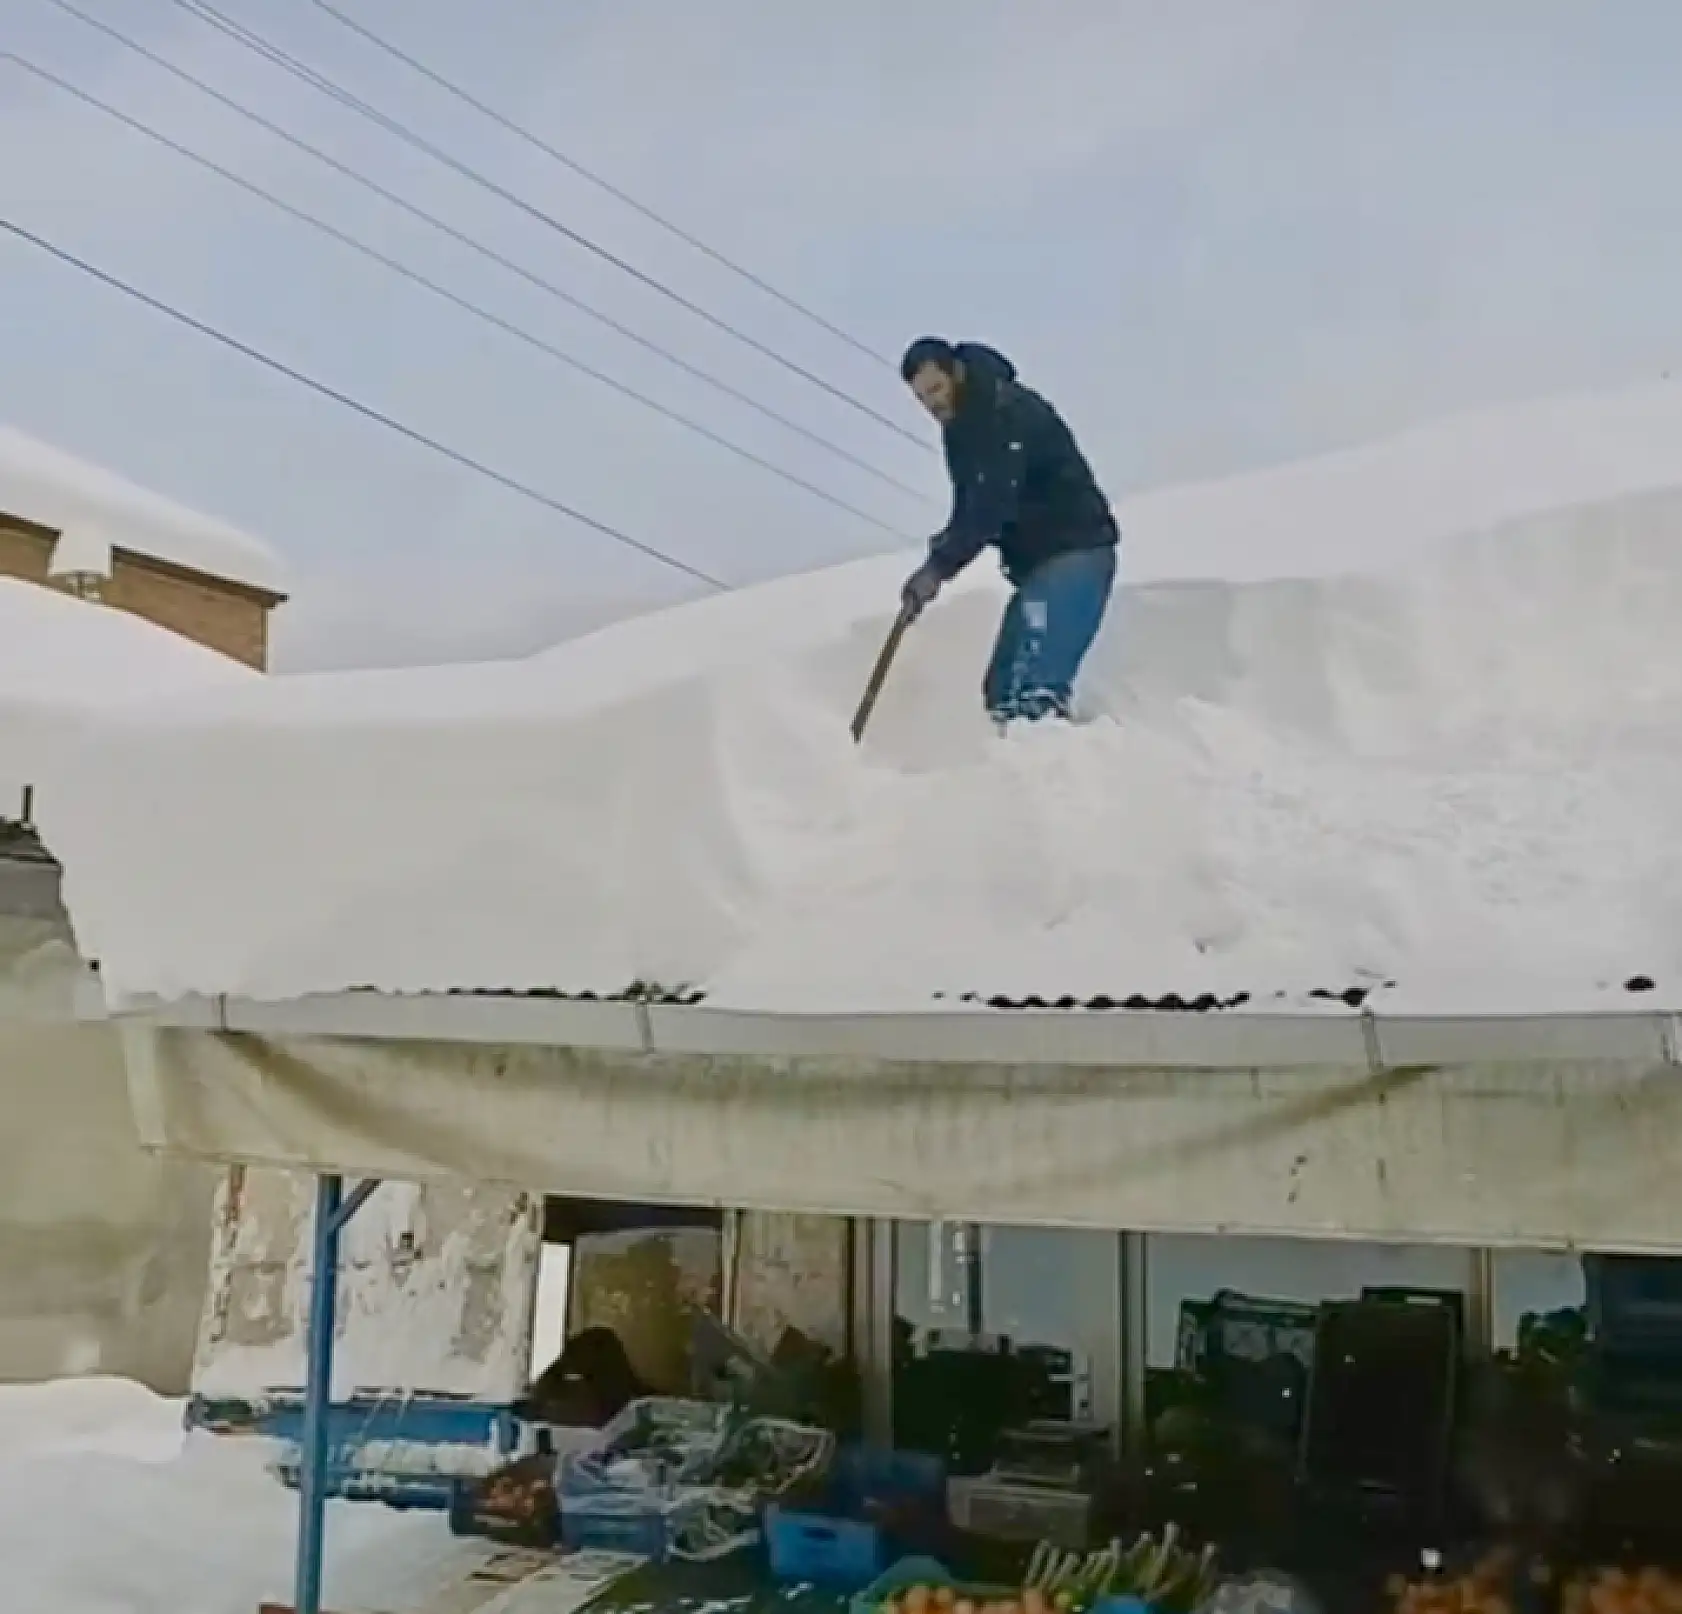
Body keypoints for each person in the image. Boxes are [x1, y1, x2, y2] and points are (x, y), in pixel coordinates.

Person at [899, 338, 1119, 723]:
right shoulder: (963, 428)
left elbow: (990, 505)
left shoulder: (1004, 412)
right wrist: (940, 554)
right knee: (1002, 691)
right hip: (1039, 568)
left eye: (935, 388)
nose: (931, 404)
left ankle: (1060, 767)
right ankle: (1018, 772)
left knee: (1033, 692)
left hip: (1075, 553)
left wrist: (939, 566)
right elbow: (970, 507)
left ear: (957, 373)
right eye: (921, 398)